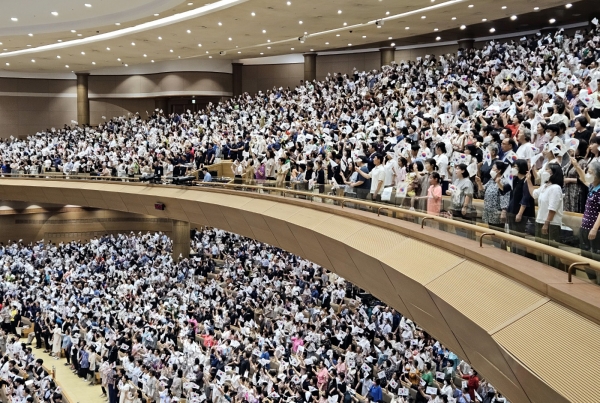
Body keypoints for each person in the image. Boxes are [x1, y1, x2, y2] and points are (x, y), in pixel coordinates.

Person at [527, 163, 564, 267]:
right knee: (540, 248)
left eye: (547, 169)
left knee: (550, 252)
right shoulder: (545, 186)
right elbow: (534, 194)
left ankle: (552, 271)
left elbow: (553, 208)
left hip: (551, 224)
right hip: (540, 221)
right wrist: (529, 180)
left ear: (553, 173)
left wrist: (546, 223)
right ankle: (540, 269)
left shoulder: (556, 188)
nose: (544, 171)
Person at [476, 161, 510, 232]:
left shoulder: (504, 181)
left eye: (493, 168)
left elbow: (505, 196)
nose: (491, 170)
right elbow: (482, 191)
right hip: (488, 211)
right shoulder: (491, 180)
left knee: (498, 233)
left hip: (497, 212)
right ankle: (495, 243)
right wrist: (479, 182)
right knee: (491, 232)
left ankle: (499, 243)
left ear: (499, 170)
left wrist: (504, 211)